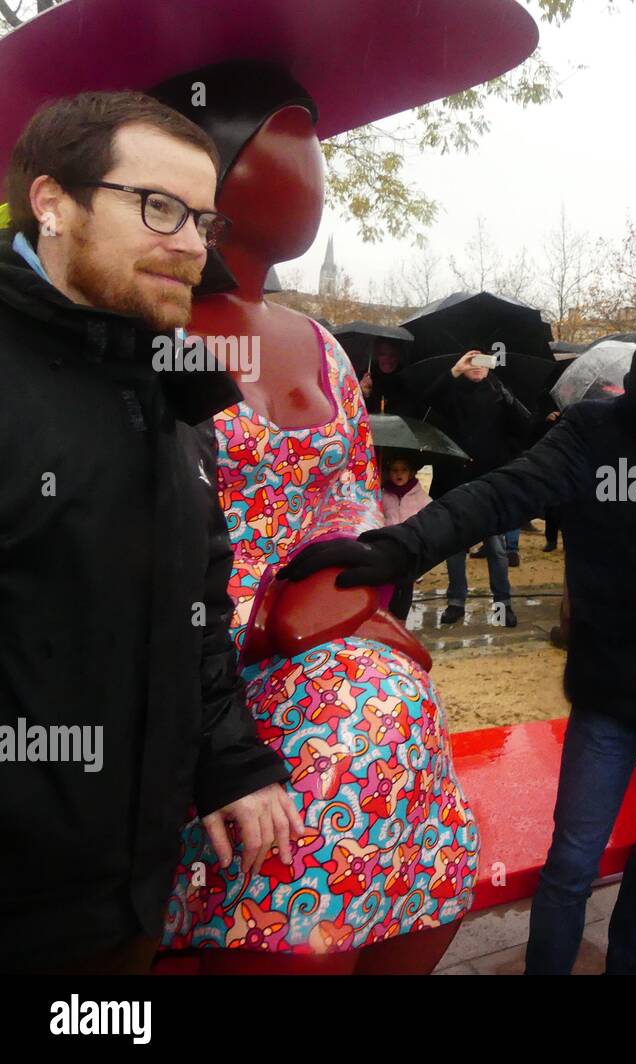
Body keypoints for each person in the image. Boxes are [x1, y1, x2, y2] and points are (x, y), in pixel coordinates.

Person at [280, 269, 636, 975]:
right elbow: (498, 496)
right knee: (574, 858)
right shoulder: (594, 432)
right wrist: (398, 545)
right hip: (611, 688)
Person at [145, 62, 478, 974]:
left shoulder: (323, 347)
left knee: (392, 728)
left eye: (315, 150)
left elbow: (351, 497)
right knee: (328, 788)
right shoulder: (152, 333)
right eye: (279, 147)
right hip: (212, 667)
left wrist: (348, 584)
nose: (311, 173)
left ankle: (402, 895)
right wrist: (259, 609)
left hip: (335, 642)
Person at [0, 92, 298, 974]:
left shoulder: (172, 384)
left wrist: (229, 764)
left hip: (135, 897)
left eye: (203, 218)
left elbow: (196, 604)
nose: (194, 245)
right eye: (158, 207)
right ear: (52, 202)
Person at [418, 349, 533, 627]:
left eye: (483, 362)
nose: (477, 368)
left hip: (491, 482)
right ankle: (456, 601)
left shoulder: (499, 391)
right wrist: (455, 370)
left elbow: (525, 424)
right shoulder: (452, 392)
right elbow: (427, 400)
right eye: (472, 362)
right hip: (456, 478)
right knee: (456, 547)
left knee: (496, 547)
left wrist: (508, 398)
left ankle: (502, 604)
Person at [380, 453, 433, 622]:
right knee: (388, 587)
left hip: (410, 551)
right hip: (388, 550)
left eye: (403, 470)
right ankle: (388, 621)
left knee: (405, 589)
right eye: (395, 470)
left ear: (411, 473)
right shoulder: (383, 495)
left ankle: (401, 622)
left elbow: (430, 521)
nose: (399, 474)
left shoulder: (421, 498)